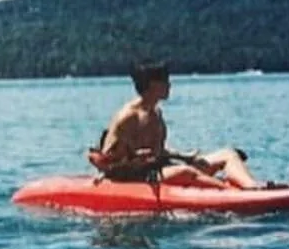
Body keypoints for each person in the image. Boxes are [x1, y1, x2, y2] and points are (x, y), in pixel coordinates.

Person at [88, 62, 262, 188]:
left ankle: (252, 187)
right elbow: (105, 161)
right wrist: (134, 160)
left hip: (161, 169)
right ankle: (228, 191)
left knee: (227, 154)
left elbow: (158, 151)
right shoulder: (126, 117)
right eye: (165, 81)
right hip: (138, 177)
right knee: (184, 172)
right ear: (151, 85)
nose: (170, 85)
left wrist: (185, 156)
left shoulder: (155, 112)